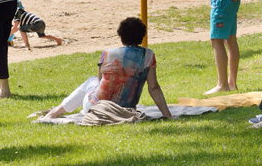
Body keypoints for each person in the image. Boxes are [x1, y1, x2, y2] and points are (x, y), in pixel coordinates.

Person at [41, 17, 172, 121]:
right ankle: (56, 113)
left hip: (98, 109)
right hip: (126, 110)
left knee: (91, 81)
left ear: (121, 35)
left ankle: (54, 113)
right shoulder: (148, 55)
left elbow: (100, 82)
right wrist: (167, 115)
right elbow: (153, 88)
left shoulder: (108, 54)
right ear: (142, 36)